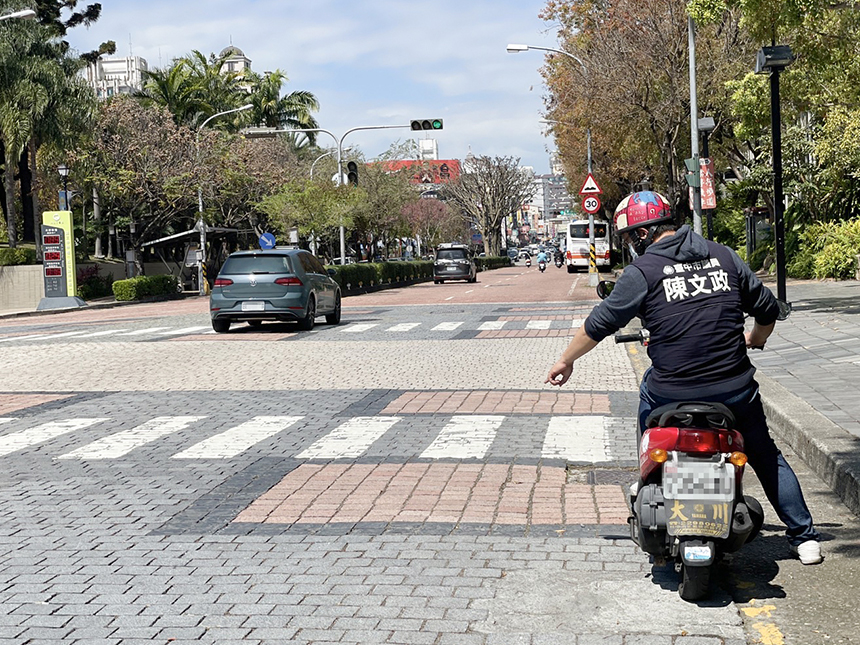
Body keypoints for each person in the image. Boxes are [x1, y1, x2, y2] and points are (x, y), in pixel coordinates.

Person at [544, 190, 822, 565]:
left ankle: (649, 471)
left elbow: (598, 324)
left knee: (646, 392)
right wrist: (756, 338)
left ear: (642, 234)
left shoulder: (642, 272)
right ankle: (804, 537)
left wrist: (565, 361)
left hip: (671, 393)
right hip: (735, 390)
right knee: (764, 453)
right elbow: (767, 308)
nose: (630, 245)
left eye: (629, 238)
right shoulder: (724, 256)